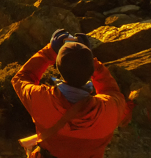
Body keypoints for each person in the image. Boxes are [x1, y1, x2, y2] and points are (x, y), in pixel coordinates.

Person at [12, 29, 129, 158]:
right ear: (90, 69)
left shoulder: (41, 99)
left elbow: (21, 78)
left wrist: (49, 52)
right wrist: (88, 59)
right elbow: (111, 90)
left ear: (58, 67)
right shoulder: (110, 109)